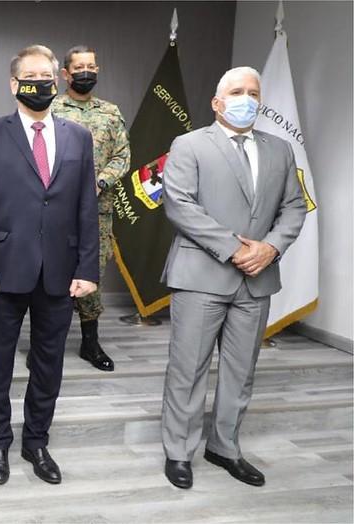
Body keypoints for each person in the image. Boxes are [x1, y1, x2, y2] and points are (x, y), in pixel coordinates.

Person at [160, 66, 307, 489]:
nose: (247, 98)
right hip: (201, 275)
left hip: (258, 277)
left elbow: (294, 207)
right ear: (217, 102)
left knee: (241, 371)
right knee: (188, 370)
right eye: (238, 91)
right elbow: (179, 205)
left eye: (254, 92)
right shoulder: (189, 144)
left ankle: (225, 447)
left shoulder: (279, 149)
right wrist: (235, 247)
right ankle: (179, 452)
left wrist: (270, 247)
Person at [0, 45, 99, 486]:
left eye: (48, 75)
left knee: (49, 362)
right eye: (32, 75)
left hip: (60, 272)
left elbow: (85, 209)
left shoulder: (79, 137)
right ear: (13, 84)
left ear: (58, 81)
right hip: (3, 270)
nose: (42, 82)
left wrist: (87, 269)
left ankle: (36, 441)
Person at [50, 45, 130, 371]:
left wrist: (99, 183)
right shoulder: (51, 109)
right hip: (56, 210)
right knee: (52, 274)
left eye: (92, 66)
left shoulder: (110, 112)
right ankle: (47, 344)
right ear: (65, 74)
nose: (87, 72)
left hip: (97, 210)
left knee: (91, 274)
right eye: (80, 67)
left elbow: (122, 156)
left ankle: (90, 343)